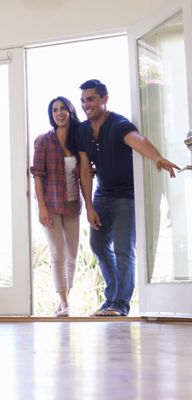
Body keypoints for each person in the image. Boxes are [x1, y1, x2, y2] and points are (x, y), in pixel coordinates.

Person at [76, 79, 179, 316]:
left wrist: (157, 158)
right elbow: (84, 169)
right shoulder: (82, 131)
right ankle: (112, 298)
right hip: (102, 195)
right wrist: (89, 206)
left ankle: (120, 304)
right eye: (82, 100)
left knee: (123, 249)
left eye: (90, 99)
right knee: (98, 245)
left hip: (126, 197)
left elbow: (138, 140)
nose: (85, 105)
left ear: (104, 99)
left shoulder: (119, 124)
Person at [31, 96, 81, 317]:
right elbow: (38, 175)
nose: (59, 113)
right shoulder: (43, 141)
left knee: (72, 254)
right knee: (58, 253)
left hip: (71, 204)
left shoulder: (78, 140)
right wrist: (41, 207)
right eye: (55, 110)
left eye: (63, 109)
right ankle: (64, 302)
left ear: (70, 111)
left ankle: (65, 299)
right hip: (49, 204)